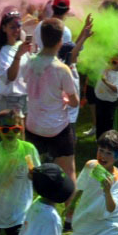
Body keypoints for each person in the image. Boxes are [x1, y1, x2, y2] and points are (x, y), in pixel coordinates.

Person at [23, 18, 81, 181]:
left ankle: (35, 203)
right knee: (69, 170)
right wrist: (65, 99)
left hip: (33, 126)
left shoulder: (29, 62)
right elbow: (74, 102)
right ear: (61, 41)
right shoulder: (62, 69)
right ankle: (70, 207)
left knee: (34, 172)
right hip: (57, 128)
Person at [0, 8, 31, 115]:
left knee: (26, 132)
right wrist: (18, 56)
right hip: (11, 102)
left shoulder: (20, 45)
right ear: (4, 28)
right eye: (12, 27)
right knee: (13, 132)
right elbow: (10, 77)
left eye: (19, 26)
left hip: (26, 98)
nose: (16, 30)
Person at [92, 53, 118, 140]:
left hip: (110, 102)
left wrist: (105, 81)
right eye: (111, 59)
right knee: (99, 120)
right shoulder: (104, 69)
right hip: (99, 99)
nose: (112, 61)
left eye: (115, 60)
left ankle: (108, 140)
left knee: (108, 123)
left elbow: (115, 89)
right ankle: (99, 139)